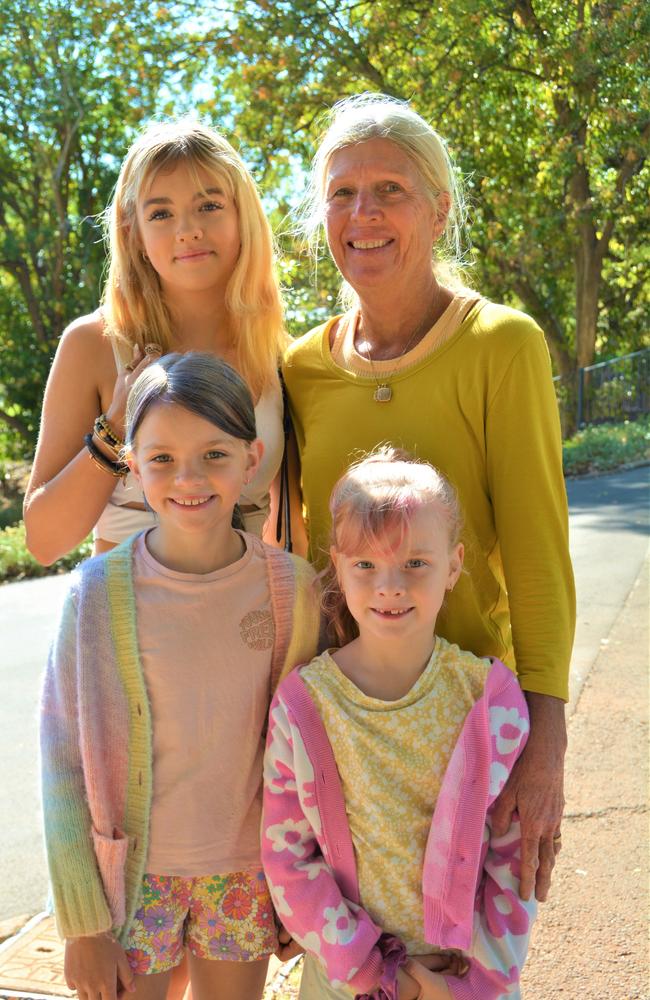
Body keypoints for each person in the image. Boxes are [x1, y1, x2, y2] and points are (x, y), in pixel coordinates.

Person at [283, 93, 575, 901]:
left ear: (440, 209)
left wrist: (547, 735)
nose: (363, 213)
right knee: (348, 969)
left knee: (465, 970)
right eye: (342, 192)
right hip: (347, 739)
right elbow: (306, 560)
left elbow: (538, 552)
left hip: (474, 730)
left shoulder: (502, 344)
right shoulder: (301, 367)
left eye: (391, 191)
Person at [40, 353, 320, 1000]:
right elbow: (61, 761)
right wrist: (83, 925)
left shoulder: (293, 594)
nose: (187, 477)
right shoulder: (94, 597)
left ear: (253, 460)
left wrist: (307, 885)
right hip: (131, 887)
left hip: (247, 878)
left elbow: (315, 758)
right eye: (162, 458)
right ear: (132, 465)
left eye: (214, 455)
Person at [262, 449, 536, 999]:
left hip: (462, 978)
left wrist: (479, 983)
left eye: (415, 563)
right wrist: (379, 974)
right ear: (337, 565)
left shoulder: (488, 699)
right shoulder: (303, 705)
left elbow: (512, 856)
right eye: (365, 565)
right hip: (347, 980)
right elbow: (287, 855)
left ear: (454, 565)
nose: (390, 586)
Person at [24, 119, 287, 565]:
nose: (187, 230)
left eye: (209, 205)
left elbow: (286, 528)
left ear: (243, 217)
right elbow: (44, 543)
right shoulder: (93, 345)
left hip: (248, 620)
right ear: (134, 234)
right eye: (161, 214)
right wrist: (116, 424)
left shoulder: (279, 353)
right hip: (125, 621)